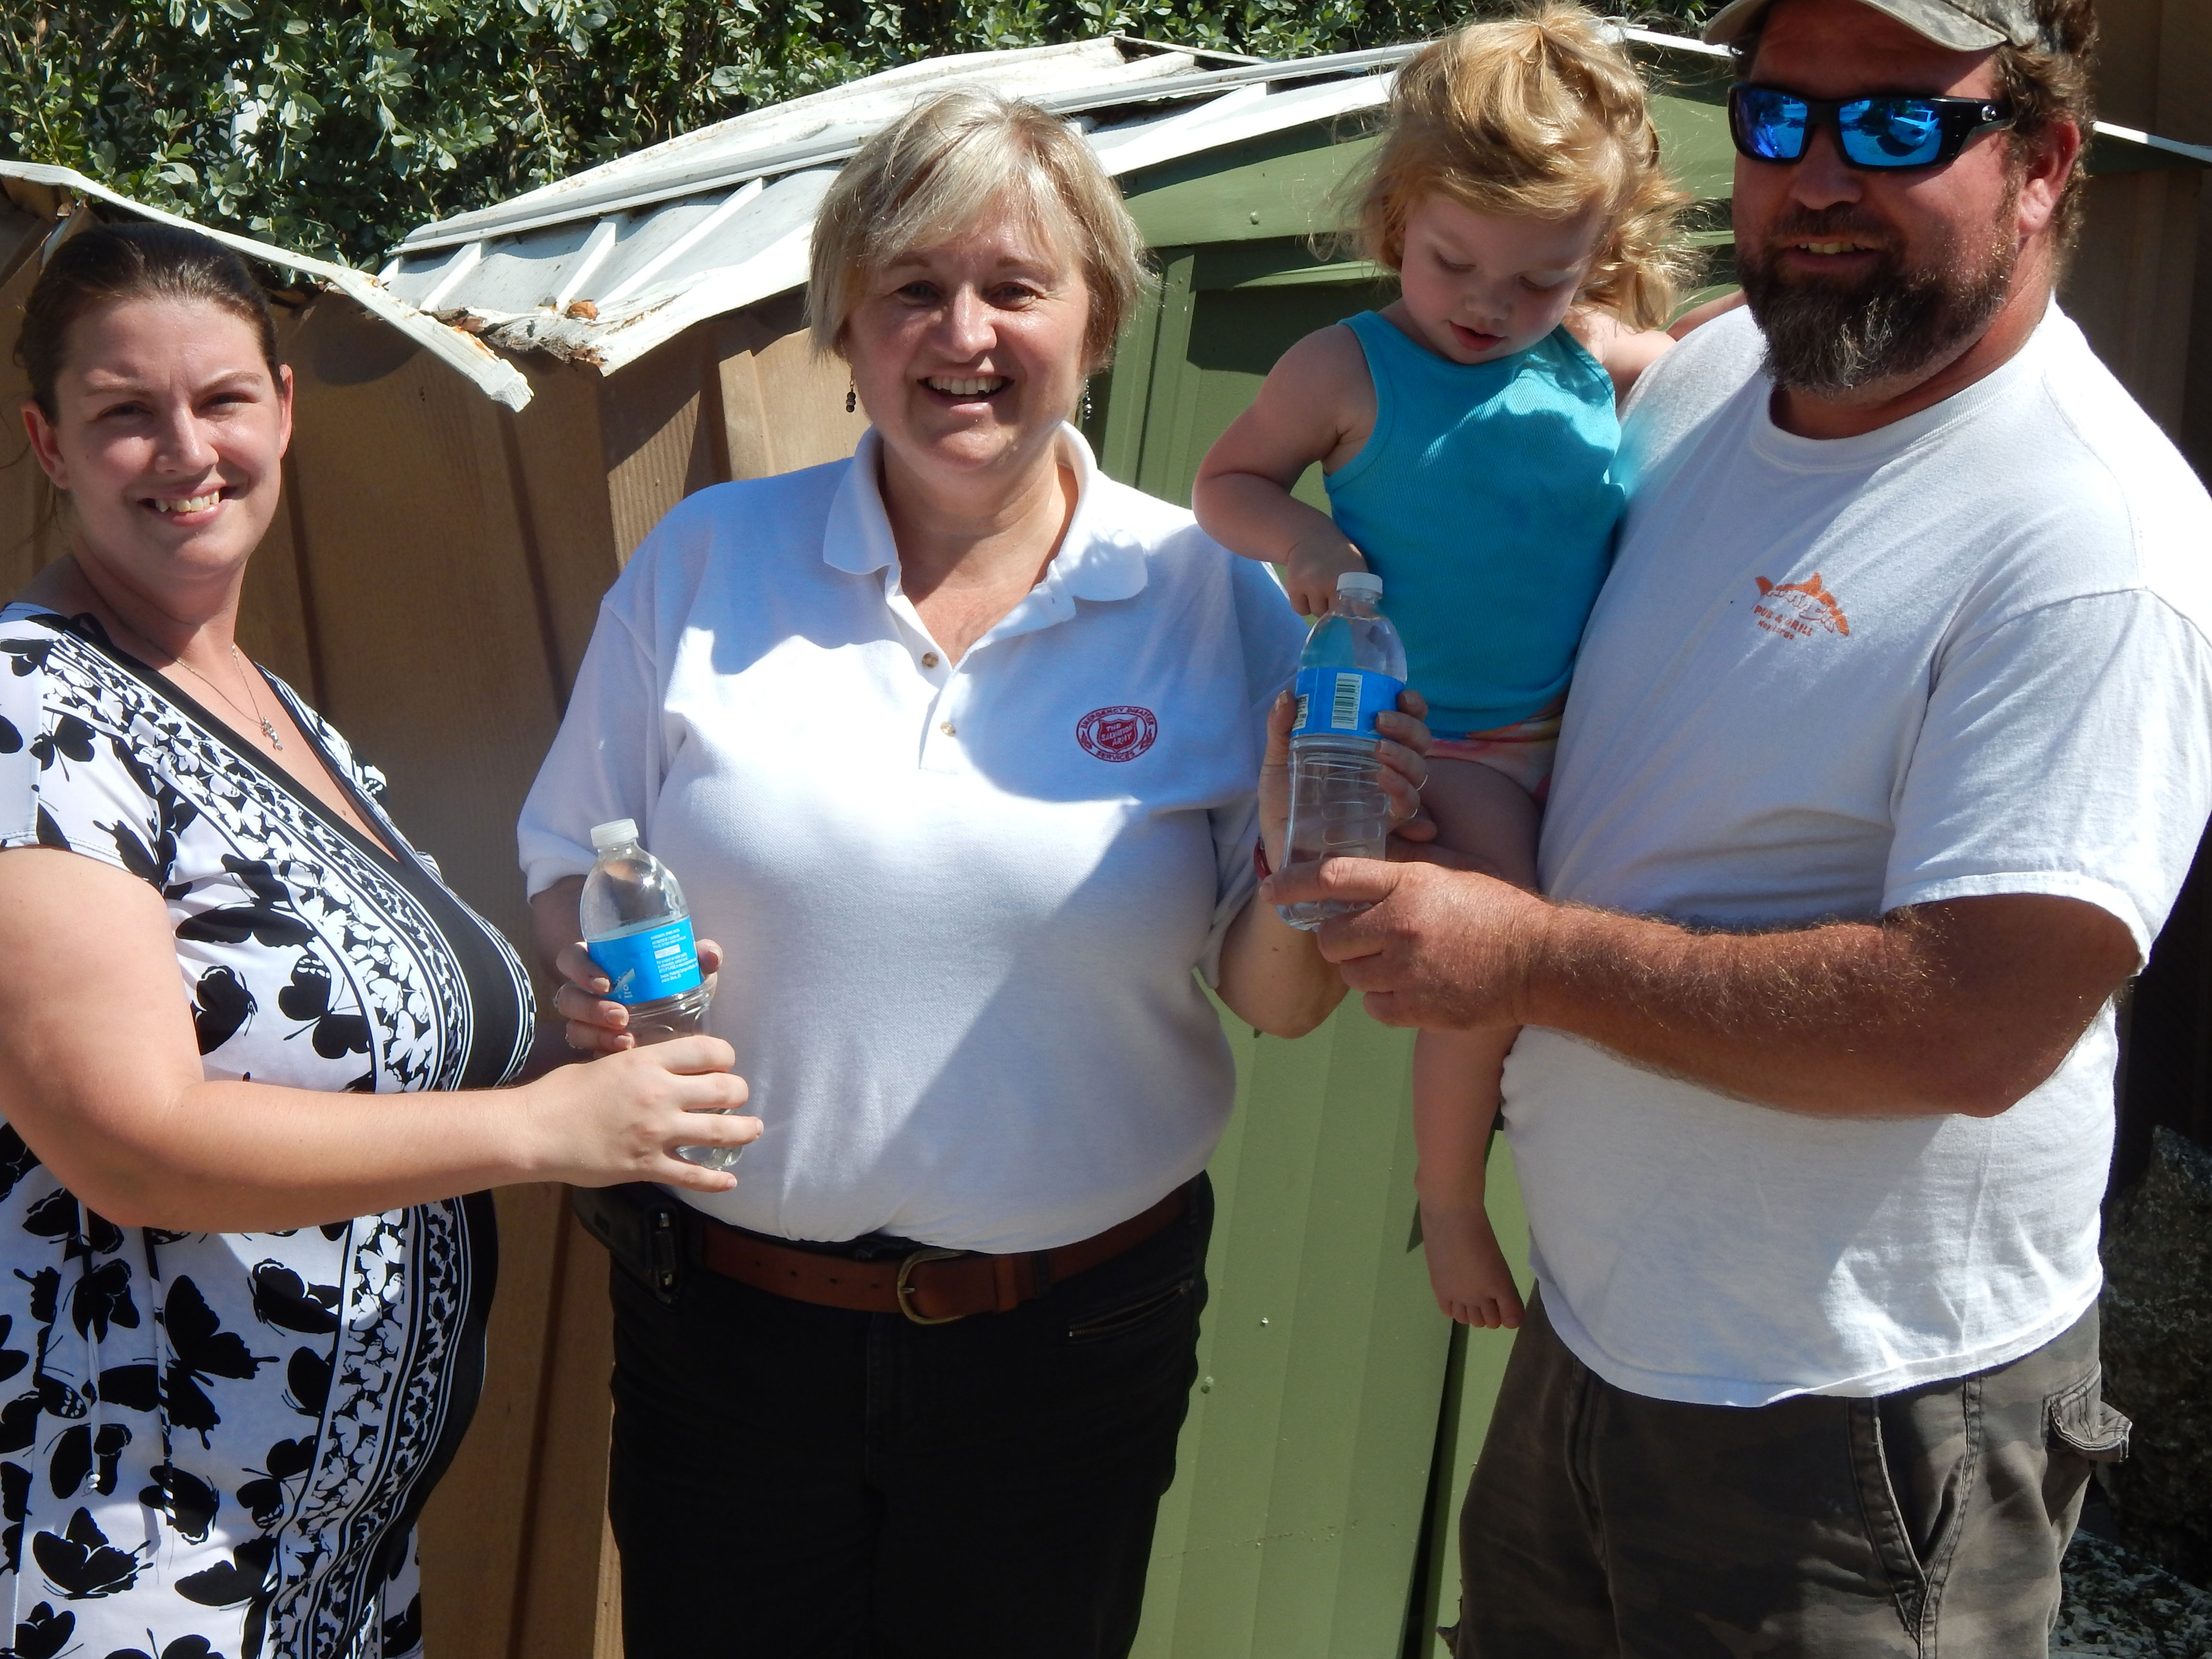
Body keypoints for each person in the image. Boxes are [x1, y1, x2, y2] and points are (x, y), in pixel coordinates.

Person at [1267, 0, 2212, 1650]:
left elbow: (1977, 1021)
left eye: (1901, 126)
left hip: (1854, 1411)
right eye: (1780, 120)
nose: (1822, 174)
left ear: (2047, 161)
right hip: (1598, 1330)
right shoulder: (1705, 380)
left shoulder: (2090, 542)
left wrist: (1526, 956)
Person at [516, 91, 1431, 1658]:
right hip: (730, 1331)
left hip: (1071, 1337)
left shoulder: (1212, 593)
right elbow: (567, 860)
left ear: (1099, 322)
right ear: (849, 328)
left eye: (1016, 287)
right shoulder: (708, 562)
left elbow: (1277, 1007)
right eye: (913, 290)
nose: (965, 333)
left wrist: (1306, 853)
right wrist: (593, 980)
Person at [0, 222, 756, 1659]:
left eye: (221, 400)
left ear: (284, 408)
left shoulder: (274, 708)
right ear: (48, 442)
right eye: (123, 415)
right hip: (126, 1555)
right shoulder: (33, 712)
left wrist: (574, 1022)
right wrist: (546, 1129)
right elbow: (131, 1145)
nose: (184, 449)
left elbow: (358, 1058)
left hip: (325, 1565)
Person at [1193, 7, 1683, 1330]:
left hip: (1571, 736)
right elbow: (1223, 482)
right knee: (1506, 926)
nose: (1488, 305)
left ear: (1600, 256)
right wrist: (1299, 529)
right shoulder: (1347, 366)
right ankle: (1453, 1196)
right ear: (1399, 213)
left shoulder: (1603, 366)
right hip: (1417, 735)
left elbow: (1737, 386)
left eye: (1540, 280)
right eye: (1456, 260)